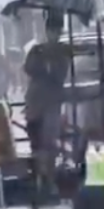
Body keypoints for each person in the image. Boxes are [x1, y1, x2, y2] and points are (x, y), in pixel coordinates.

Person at [22, 13, 71, 193]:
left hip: (52, 104)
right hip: (35, 103)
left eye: (57, 31)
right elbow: (29, 68)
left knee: (49, 143)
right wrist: (45, 65)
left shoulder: (62, 51)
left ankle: (48, 180)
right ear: (47, 31)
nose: (54, 35)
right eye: (51, 31)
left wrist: (48, 66)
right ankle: (37, 178)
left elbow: (59, 75)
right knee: (35, 142)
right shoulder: (37, 50)